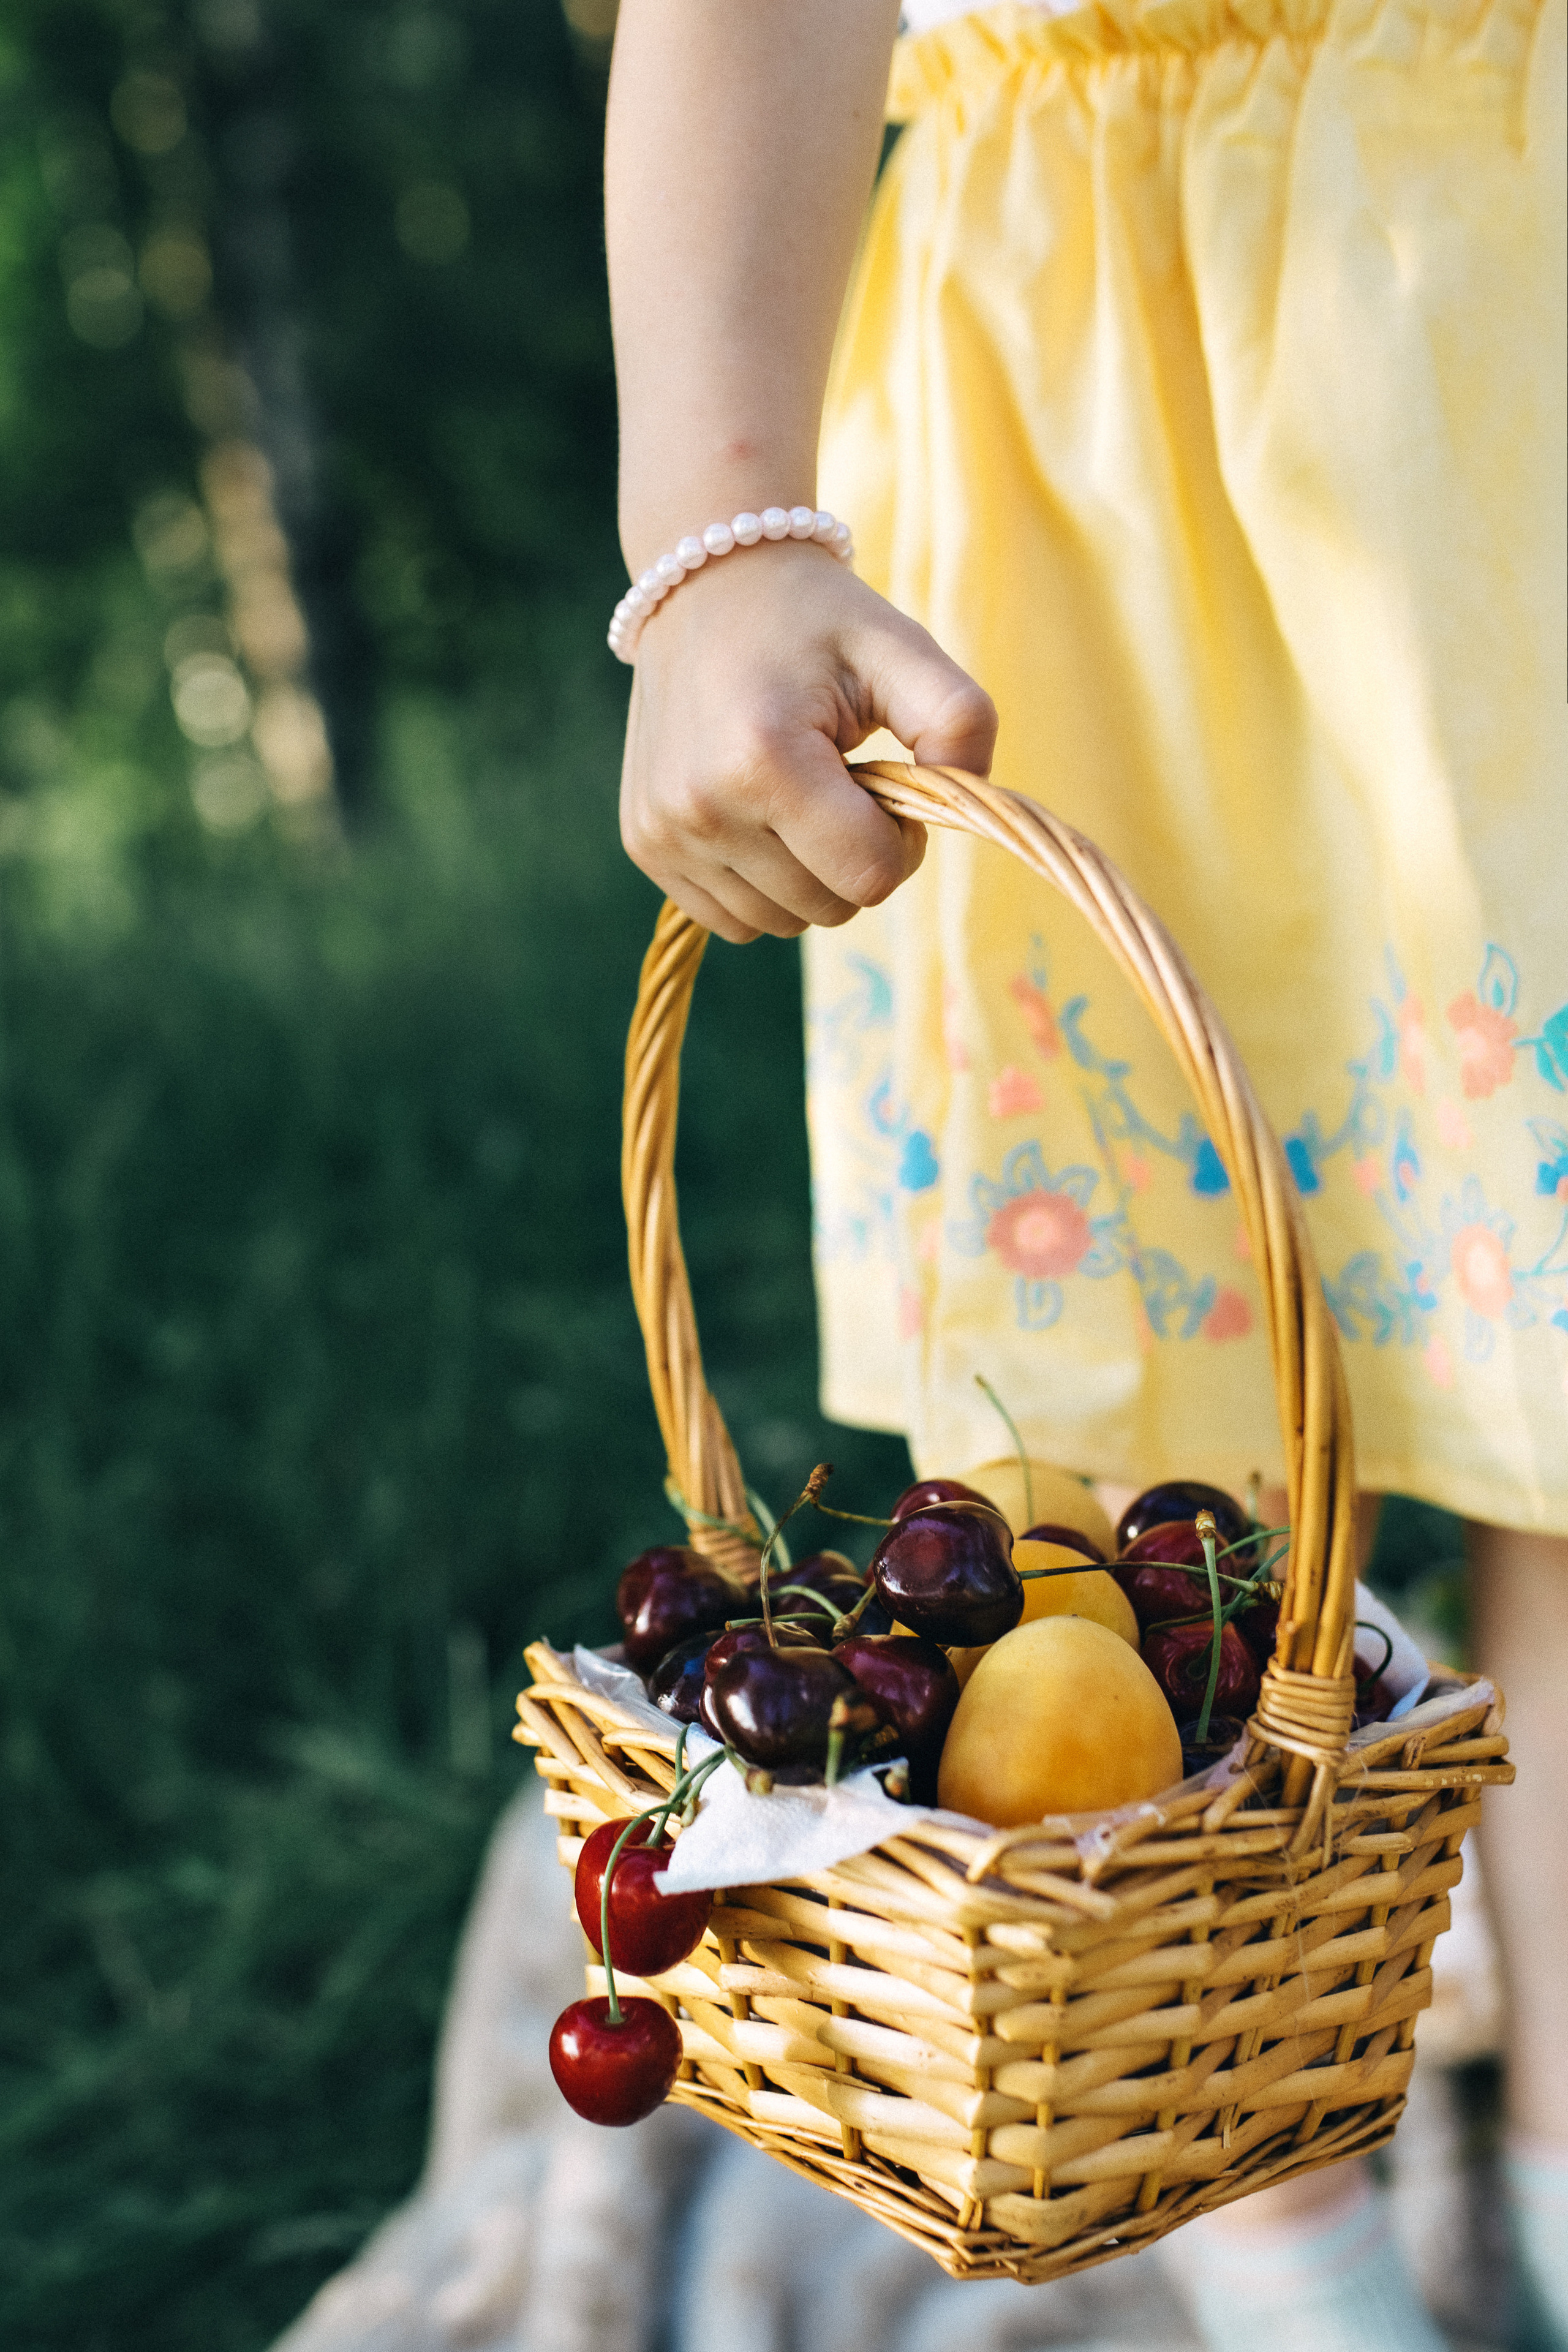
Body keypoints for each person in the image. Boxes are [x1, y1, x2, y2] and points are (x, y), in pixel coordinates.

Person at [603, 4, 1567, 2349]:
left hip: (1513, 326)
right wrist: (716, 536)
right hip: (1080, 447)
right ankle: (1293, 2263)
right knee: (1115, 1530)